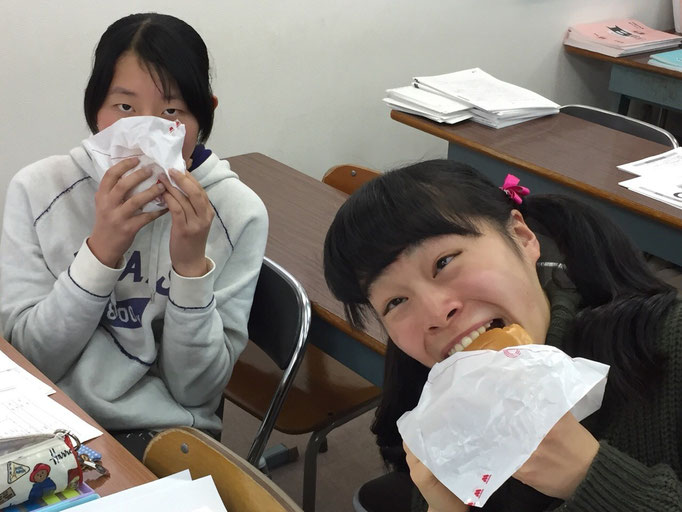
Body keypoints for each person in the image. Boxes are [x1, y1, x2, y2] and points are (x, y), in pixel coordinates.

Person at [323, 159, 681, 511]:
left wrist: (590, 476)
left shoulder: (669, 342)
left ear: (522, 238)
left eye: (444, 262)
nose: (435, 313)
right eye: (396, 301)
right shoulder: (438, 405)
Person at [0, 13, 268, 459]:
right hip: (46, 416)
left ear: (204, 115)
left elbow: (197, 390)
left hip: (162, 430)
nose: (145, 134)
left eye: (171, 113)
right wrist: (101, 251)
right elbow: (32, 361)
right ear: (95, 110)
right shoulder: (38, 190)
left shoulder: (238, 214)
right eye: (124, 108)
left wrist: (190, 269)